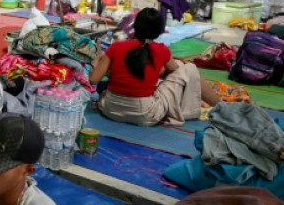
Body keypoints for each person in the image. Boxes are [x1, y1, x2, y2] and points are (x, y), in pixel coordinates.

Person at [89, 8, 219, 126]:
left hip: (111, 110)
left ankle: (207, 103)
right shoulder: (161, 50)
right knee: (189, 68)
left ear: (135, 26)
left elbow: (93, 80)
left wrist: (98, 58)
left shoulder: (116, 47)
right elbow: (176, 70)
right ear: (159, 32)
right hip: (144, 114)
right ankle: (221, 107)